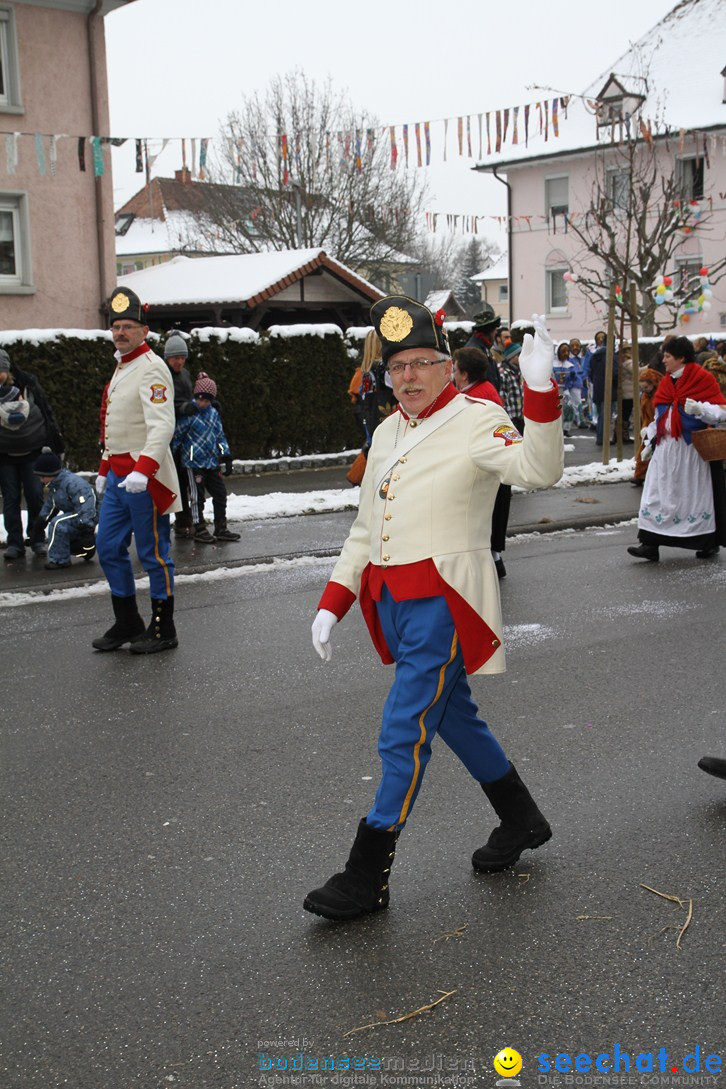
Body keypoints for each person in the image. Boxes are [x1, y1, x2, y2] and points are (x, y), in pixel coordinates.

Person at [304, 297, 564, 921]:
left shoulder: (478, 418)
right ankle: (521, 818)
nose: (409, 378)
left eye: (422, 363)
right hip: (394, 604)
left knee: (404, 731)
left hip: (445, 605)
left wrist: (539, 390)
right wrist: (333, 602)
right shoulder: (389, 429)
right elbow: (367, 527)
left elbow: (539, 469)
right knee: (453, 718)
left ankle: (367, 874)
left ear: (447, 366)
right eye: (397, 368)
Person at [93, 287, 182, 654]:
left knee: (153, 552)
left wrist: (143, 470)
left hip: (144, 478)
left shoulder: (151, 367)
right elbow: (113, 422)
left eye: (129, 326)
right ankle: (128, 620)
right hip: (117, 476)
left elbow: (162, 425)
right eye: (116, 327)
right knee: (108, 547)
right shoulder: (122, 365)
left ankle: (163, 628)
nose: (121, 333)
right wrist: (103, 467)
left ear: (144, 331)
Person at [627, 335, 726, 563]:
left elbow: (721, 412)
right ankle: (649, 543)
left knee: (692, 497)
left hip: (691, 450)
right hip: (665, 449)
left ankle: (706, 542)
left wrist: (700, 409)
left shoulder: (702, 379)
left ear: (681, 358)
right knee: (656, 495)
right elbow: (663, 413)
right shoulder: (666, 381)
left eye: (668, 356)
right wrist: (650, 436)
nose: (664, 360)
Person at [0, 349, 63, 561]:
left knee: (36, 495)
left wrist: (54, 444)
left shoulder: (28, 385)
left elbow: (45, 412)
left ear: (7, 370)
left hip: (31, 452)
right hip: (5, 455)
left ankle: (37, 539)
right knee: (10, 499)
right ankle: (15, 543)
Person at [453, 347, 510, 579]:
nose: (452, 375)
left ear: (465, 375)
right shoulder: (482, 389)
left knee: (486, 516)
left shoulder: (475, 397)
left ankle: (491, 563)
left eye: (455, 370)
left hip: (488, 467)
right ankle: (494, 560)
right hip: (493, 465)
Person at [172, 372, 241, 544]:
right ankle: (199, 527)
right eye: (200, 399)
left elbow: (219, 436)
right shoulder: (189, 414)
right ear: (195, 397)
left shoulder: (213, 414)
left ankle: (221, 526)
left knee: (220, 493)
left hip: (211, 462)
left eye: (207, 400)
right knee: (197, 497)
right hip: (193, 463)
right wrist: (171, 456)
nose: (203, 403)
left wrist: (225, 454)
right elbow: (177, 436)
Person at [32, 447, 97, 570]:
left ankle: (60, 560)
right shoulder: (55, 486)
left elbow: (87, 505)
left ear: (51, 474)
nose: (41, 480)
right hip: (76, 513)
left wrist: (87, 527)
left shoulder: (73, 484)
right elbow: (50, 505)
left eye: (42, 476)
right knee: (58, 525)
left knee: (57, 524)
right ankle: (83, 550)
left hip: (86, 514)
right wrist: (40, 523)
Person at [164, 331, 197, 539]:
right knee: (175, 480)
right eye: (177, 358)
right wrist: (182, 408)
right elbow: (162, 403)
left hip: (188, 433)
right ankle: (180, 520)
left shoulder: (185, 374)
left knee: (187, 479)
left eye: (183, 358)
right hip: (171, 435)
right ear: (168, 357)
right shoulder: (163, 375)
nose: (180, 362)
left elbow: (190, 396)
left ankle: (187, 520)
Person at [633, 367, 663, 485]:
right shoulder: (646, 396)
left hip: (659, 426)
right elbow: (644, 414)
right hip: (649, 426)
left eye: (646, 387)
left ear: (653, 383)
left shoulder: (660, 395)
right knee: (644, 449)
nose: (644, 390)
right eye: (642, 388)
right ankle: (639, 475)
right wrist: (645, 427)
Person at [464, 303, 502, 391]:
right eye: (494, 330)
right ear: (488, 330)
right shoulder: (474, 352)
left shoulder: (483, 348)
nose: (496, 333)